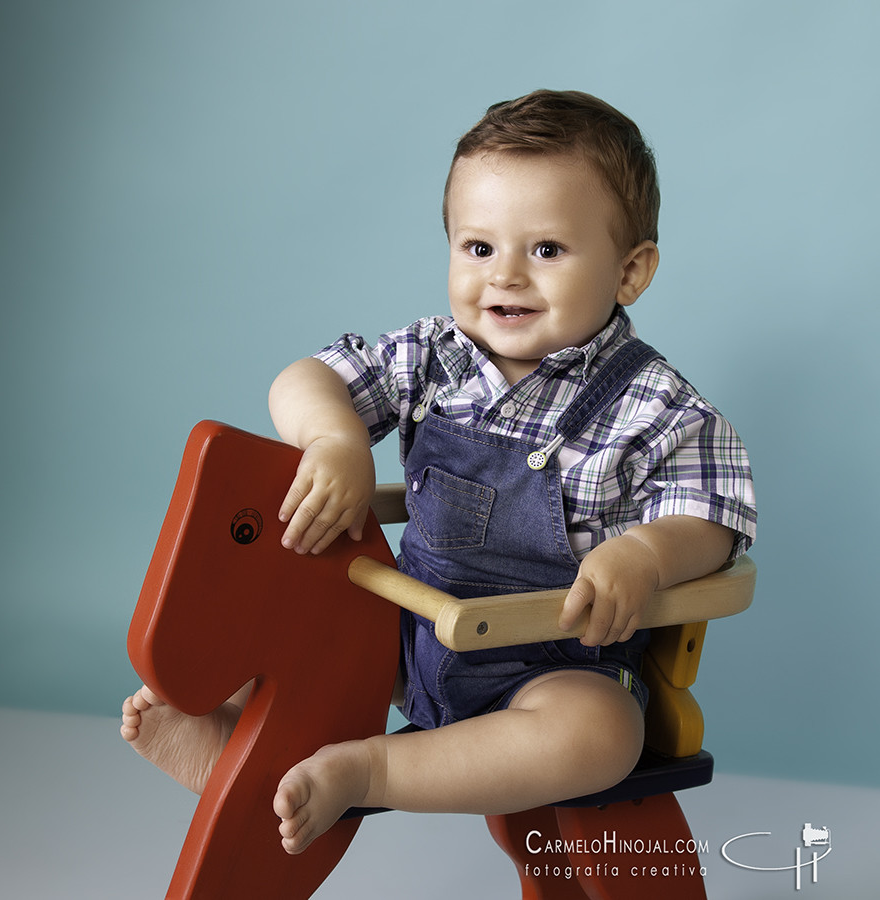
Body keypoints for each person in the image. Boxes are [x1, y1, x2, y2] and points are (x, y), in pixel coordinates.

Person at [122, 89, 756, 856]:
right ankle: (235, 743)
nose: (506, 277)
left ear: (631, 271)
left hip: (551, 664)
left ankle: (368, 771)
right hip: (407, 632)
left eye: (546, 250)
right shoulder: (431, 356)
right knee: (299, 592)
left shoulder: (655, 406)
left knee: (601, 734)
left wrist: (647, 555)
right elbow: (305, 377)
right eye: (478, 247)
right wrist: (335, 440)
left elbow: (714, 515)